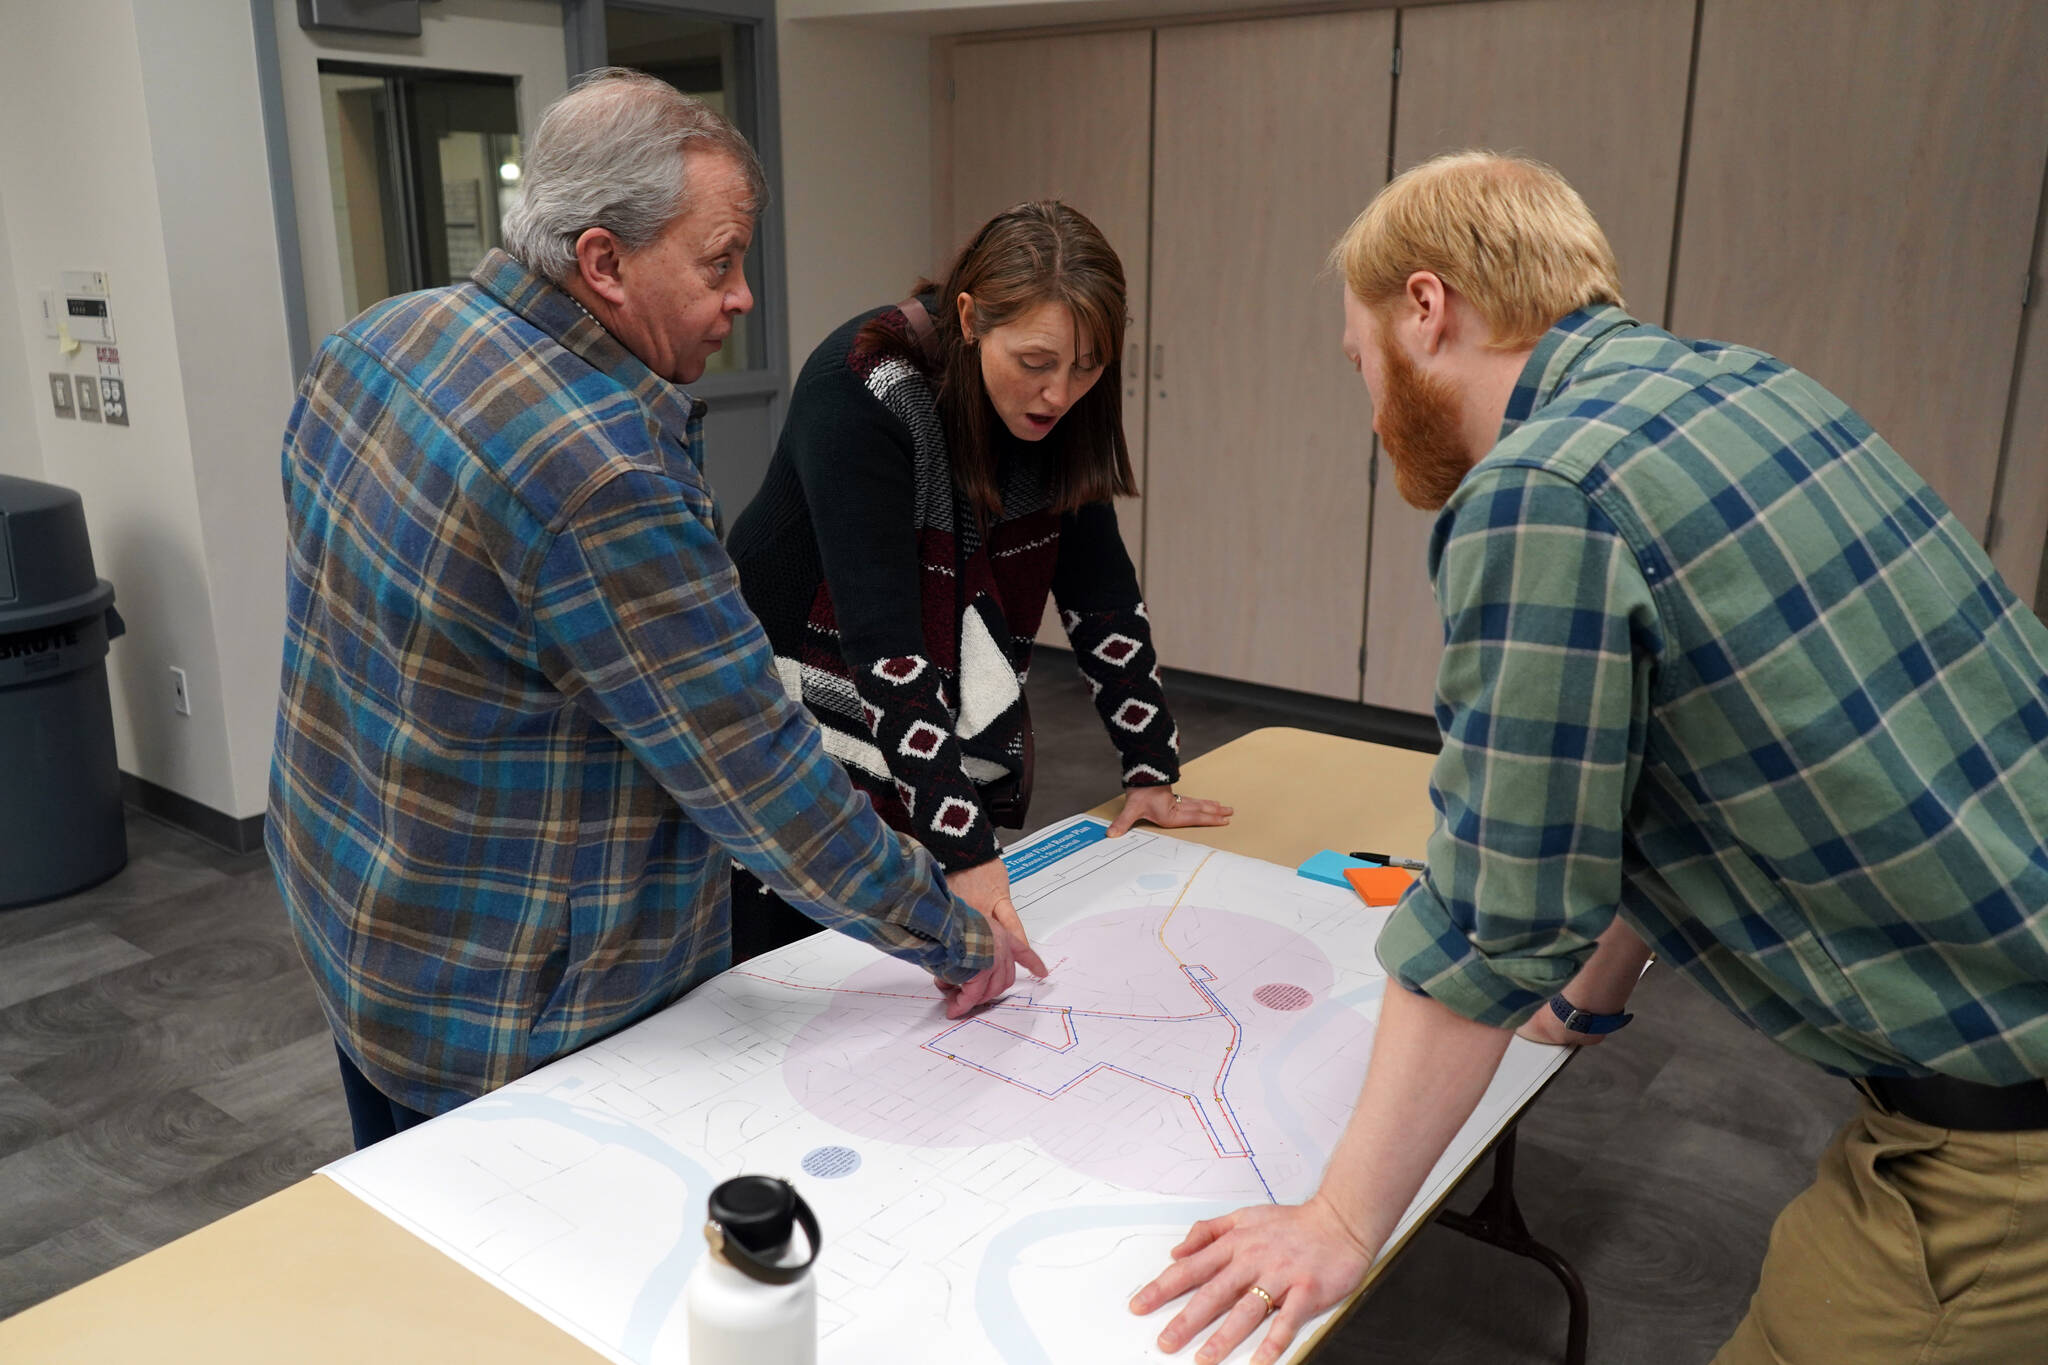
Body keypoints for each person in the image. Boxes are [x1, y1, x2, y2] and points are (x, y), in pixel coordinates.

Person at [1132, 151, 2048, 1365]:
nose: (1369, 412)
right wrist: (1589, 994)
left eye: (1360, 364)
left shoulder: (1542, 486)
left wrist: (1341, 1220)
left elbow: (1496, 908)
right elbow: (1662, 755)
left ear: (1424, 308)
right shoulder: (1747, 390)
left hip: (1998, 1136)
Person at [268, 69, 1043, 1151]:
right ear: (602, 262)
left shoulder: (378, 339)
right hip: (511, 1015)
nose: (743, 298)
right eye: (717, 263)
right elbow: (753, 770)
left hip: (359, 930)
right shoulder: (598, 471)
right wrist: (949, 935)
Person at [725, 201, 1231, 960]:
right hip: (798, 684)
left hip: (901, 677)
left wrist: (1151, 765)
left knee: (921, 948)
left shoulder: (1061, 409)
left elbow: (1101, 594)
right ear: (969, 318)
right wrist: (970, 854)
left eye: (1087, 367)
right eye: (1035, 363)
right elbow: (885, 649)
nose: (1059, 394)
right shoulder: (862, 385)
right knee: (805, 951)